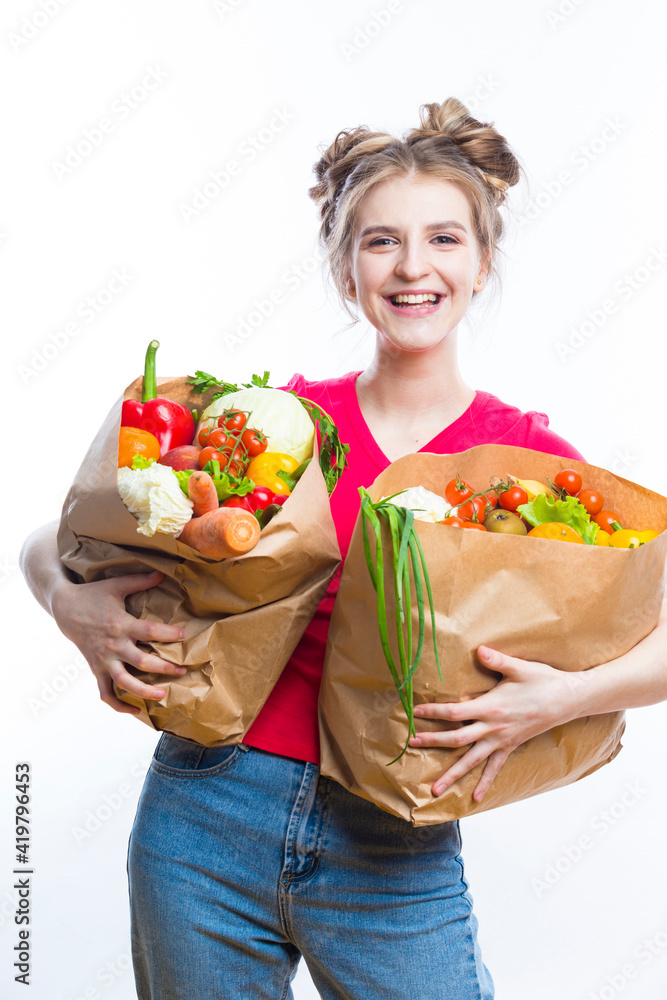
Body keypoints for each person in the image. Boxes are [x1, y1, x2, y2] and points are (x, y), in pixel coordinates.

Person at [20, 98, 667, 1000]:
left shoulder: (526, 467)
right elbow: (60, 535)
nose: (413, 267)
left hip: (395, 846)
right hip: (206, 812)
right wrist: (70, 603)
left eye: (444, 239)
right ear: (343, 267)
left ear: (481, 265)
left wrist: (560, 699)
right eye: (379, 242)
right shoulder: (276, 422)